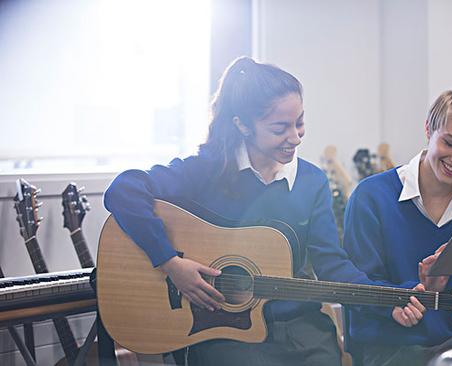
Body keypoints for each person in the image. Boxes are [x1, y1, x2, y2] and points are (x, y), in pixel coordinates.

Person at [103, 56, 380, 366]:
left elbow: (332, 264)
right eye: (280, 128)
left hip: (302, 330)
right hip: (222, 331)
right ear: (243, 125)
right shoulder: (207, 170)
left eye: (300, 122)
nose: (296, 137)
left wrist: (389, 297)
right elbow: (124, 190)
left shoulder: (311, 180)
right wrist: (170, 263)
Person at [343, 86, 452, 366]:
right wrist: (417, 290)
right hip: (391, 344)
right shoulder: (371, 196)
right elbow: (356, 287)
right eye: (450, 143)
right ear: (429, 129)